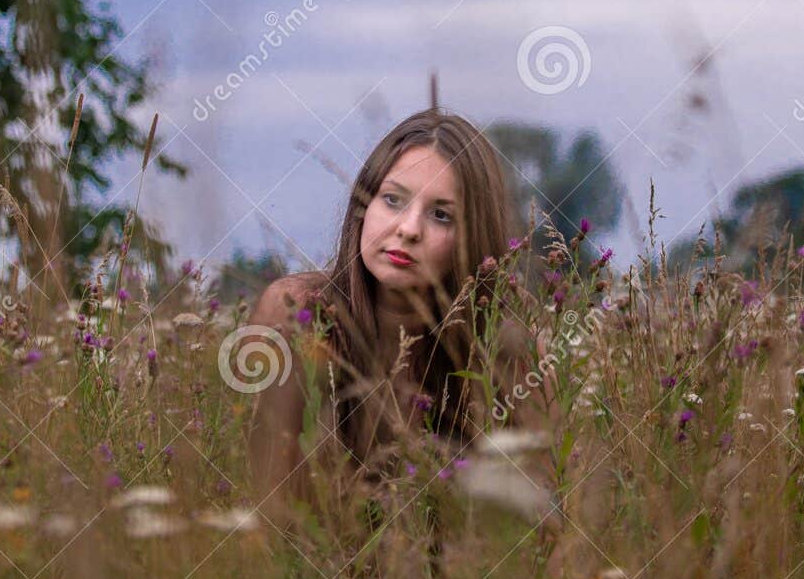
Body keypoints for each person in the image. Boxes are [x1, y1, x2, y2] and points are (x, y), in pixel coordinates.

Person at [230, 108, 559, 536]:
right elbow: (267, 503)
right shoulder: (297, 312)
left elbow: (547, 519)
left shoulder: (506, 345)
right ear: (363, 205)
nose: (408, 229)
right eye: (393, 200)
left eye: (441, 214)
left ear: (471, 237)